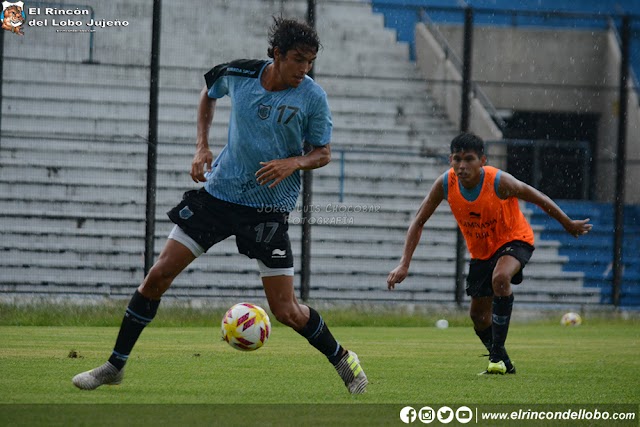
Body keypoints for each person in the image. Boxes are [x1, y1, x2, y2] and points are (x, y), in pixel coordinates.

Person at [72, 17, 368, 394]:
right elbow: (208, 92)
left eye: (310, 61)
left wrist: (293, 162)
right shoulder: (240, 73)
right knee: (158, 276)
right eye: (297, 59)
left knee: (286, 310)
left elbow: (323, 153)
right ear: (276, 54)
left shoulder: (313, 97)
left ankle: (343, 358)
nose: (304, 69)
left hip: (267, 209)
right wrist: (201, 146)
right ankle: (115, 366)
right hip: (218, 196)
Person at [387, 132, 592, 374]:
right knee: (478, 317)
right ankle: (504, 361)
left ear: (483, 160)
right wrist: (404, 264)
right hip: (482, 252)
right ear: (450, 160)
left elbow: (537, 196)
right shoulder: (445, 184)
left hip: (515, 239)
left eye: (469, 159)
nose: (462, 166)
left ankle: (495, 356)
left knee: (500, 278)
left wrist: (567, 223)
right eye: (457, 159)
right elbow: (418, 221)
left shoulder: (499, 182)